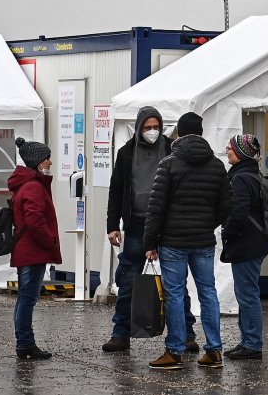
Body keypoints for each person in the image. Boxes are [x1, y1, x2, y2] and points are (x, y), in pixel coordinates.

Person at [103, 106, 199, 353]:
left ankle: (186, 334)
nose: (152, 131)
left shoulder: (171, 148)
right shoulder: (126, 153)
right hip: (136, 225)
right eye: (147, 128)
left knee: (175, 283)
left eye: (156, 127)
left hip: (168, 225)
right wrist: (112, 225)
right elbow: (116, 190)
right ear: (138, 128)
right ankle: (120, 334)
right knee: (127, 281)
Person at [144, 112, 231, 370]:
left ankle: (175, 351)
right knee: (208, 292)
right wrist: (206, 224)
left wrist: (150, 242)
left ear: (179, 133)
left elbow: (155, 207)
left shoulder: (169, 164)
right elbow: (225, 207)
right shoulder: (217, 165)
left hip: (172, 241)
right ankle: (214, 351)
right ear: (201, 133)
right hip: (203, 241)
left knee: (174, 294)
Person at [8, 137, 61, 360]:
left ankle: (26, 343)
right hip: (32, 251)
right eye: (47, 158)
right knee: (27, 298)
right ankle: (25, 343)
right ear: (38, 161)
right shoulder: (33, 187)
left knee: (26, 298)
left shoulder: (26, 184)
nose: (50, 162)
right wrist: (49, 240)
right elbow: (35, 220)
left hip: (27, 250)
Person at [221, 134, 268, 360]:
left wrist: (226, 232)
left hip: (246, 243)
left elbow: (238, 212)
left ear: (240, 153)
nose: (227, 150)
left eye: (230, 147)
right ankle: (247, 341)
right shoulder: (252, 174)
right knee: (246, 293)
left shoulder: (241, 179)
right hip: (255, 242)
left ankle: (252, 343)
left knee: (247, 294)